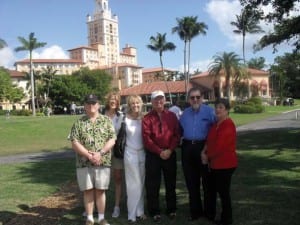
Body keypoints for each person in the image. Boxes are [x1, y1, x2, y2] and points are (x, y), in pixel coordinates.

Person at [69, 94, 116, 225]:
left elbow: (112, 139)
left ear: (98, 105)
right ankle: (89, 218)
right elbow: (74, 142)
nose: (91, 106)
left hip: (103, 161)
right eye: (88, 103)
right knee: (88, 190)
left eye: (94, 103)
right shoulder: (79, 123)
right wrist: (89, 155)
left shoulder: (106, 121)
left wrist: (100, 153)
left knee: (100, 190)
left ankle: (101, 218)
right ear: (84, 106)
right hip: (84, 162)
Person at [142, 90, 181, 223]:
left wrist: (169, 150)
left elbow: (176, 135)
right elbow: (147, 139)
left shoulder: (172, 116)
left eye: (161, 99)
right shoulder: (147, 118)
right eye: (155, 99)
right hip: (153, 155)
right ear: (151, 102)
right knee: (153, 185)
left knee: (170, 184)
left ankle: (171, 209)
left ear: (164, 100)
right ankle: (154, 211)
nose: (158, 102)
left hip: (169, 154)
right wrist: (159, 151)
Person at [179, 87, 216, 221]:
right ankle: (195, 212)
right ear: (189, 99)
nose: (195, 99)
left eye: (197, 97)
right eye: (192, 97)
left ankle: (209, 213)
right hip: (188, 148)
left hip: (203, 148)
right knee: (191, 182)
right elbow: (180, 130)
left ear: (202, 98)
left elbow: (215, 130)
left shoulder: (209, 112)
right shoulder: (185, 114)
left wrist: (207, 149)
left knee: (207, 182)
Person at [201, 98, 238, 225]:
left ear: (227, 110)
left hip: (225, 164)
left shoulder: (228, 124)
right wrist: (204, 150)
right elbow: (209, 140)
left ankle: (227, 219)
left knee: (223, 193)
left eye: (221, 107)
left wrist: (207, 156)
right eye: (216, 107)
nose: (217, 109)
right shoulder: (216, 124)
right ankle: (216, 215)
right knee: (217, 191)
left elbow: (220, 146)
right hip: (216, 164)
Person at [123, 95, 147, 223]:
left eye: (137, 103)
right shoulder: (124, 119)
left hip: (142, 153)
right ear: (129, 105)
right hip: (130, 153)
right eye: (133, 103)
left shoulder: (145, 118)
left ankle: (140, 211)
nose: (135, 105)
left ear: (141, 104)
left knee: (141, 183)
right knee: (133, 184)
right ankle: (131, 214)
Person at [102, 92, 124, 218]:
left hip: (116, 151)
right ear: (108, 100)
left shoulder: (121, 116)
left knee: (117, 178)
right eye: (111, 99)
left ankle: (116, 206)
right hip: (103, 151)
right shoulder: (100, 115)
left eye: (116, 99)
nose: (113, 101)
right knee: (101, 180)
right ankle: (97, 206)